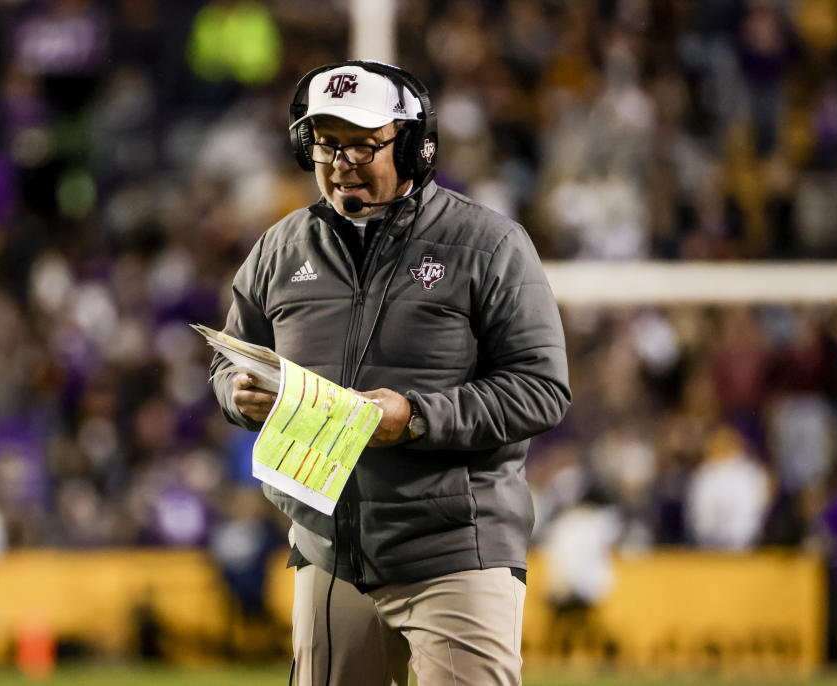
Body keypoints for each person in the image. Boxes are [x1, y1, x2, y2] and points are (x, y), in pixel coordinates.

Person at [210, 60, 570, 686]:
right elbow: (228, 356)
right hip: (328, 552)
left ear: (412, 146)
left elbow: (541, 389)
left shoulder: (488, 244)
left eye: (361, 143)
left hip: (456, 552)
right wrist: (238, 394)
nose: (339, 160)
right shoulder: (279, 248)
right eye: (325, 142)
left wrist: (417, 418)